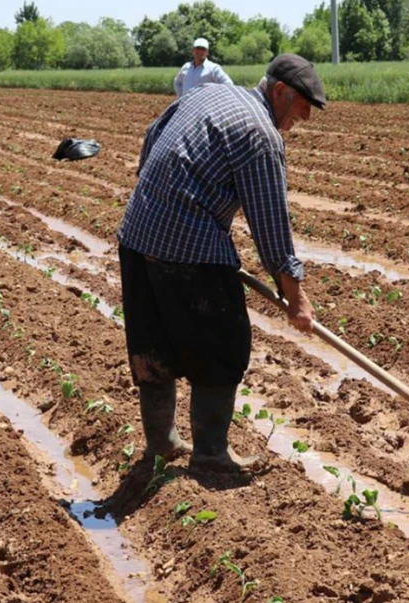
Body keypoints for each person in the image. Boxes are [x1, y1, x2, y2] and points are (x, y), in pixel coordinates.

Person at [118, 54, 325, 473]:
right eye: (303, 103)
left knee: (152, 346)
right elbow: (271, 223)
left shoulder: (208, 93)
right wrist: (296, 295)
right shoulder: (261, 134)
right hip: (188, 246)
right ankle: (210, 455)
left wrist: (160, 197)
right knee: (223, 346)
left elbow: (151, 135)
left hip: (136, 233)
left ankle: (161, 445)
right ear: (280, 91)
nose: (304, 115)